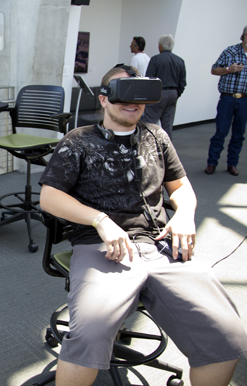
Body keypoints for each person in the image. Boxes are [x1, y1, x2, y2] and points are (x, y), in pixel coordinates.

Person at [38, 65, 247, 386]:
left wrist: (186, 214)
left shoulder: (157, 136)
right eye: (123, 91)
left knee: (227, 334)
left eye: (140, 92)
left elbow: (180, 187)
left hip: (160, 245)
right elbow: (50, 198)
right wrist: (100, 219)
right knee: (88, 335)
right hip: (101, 247)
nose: (132, 100)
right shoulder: (78, 141)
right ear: (104, 99)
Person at [205, 25, 247, 177]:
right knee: (221, 132)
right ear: (243, 35)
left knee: (239, 134)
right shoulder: (230, 51)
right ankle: (212, 163)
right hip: (227, 98)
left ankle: (232, 164)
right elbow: (214, 69)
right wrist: (229, 69)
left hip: (244, 100)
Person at [143, 34, 187, 138]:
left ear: (161, 46)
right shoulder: (180, 61)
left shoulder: (155, 59)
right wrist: (176, 94)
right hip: (173, 94)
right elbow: (182, 82)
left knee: (150, 124)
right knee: (167, 125)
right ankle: (167, 150)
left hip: (158, 93)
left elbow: (149, 80)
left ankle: (148, 147)